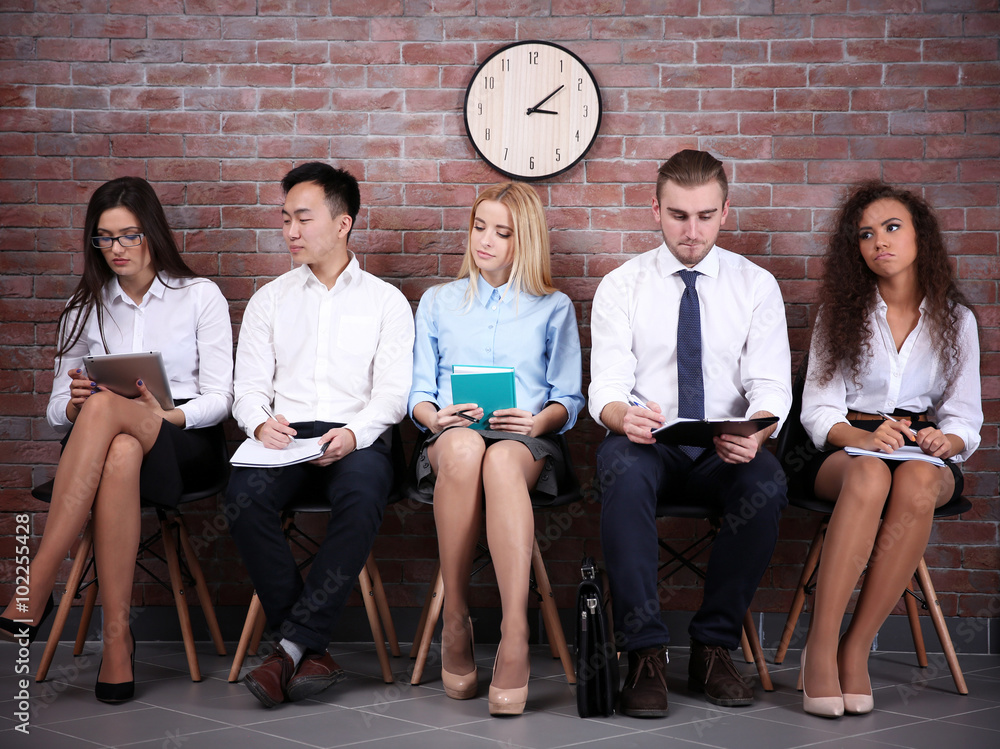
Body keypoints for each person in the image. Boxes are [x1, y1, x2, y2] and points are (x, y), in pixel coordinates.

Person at [0, 177, 234, 704]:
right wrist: (76, 403)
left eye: (129, 236)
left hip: (180, 441)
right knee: (114, 434)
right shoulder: (84, 305)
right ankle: (118, 645)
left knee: (114, 410)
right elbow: (55, 410)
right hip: (104, 448)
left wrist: (166, 414)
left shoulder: (199, 296)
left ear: (153, 232)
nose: (117, 250)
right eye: (104, 238)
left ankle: (34, 587)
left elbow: (222, 397)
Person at [589, 150, 791, 717]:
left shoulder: (756, 286)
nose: (692, 230)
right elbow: (605, 383)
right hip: (648, 442)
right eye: (678, 215)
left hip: (724, 447)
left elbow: (772, 383)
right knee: (621, 469)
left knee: (768, 481)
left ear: (725, 212)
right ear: (655, 210)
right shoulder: (621, 285)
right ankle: (645, 654)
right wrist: (618, 416)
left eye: (704, 215)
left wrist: (757, 431)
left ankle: (713, 648)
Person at [225, 162, 414, 709]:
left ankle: (284, 650)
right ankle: (307, 647)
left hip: (358, 435)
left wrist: (354, 434)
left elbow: (393, 395)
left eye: (303, 219)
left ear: (343, 223)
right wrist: (260, 422)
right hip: (283, 437)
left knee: (360, 494)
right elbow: (248, 389)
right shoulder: (271, 299)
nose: (291, 231)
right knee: (241, 496)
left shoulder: (386, 301)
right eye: (285, 220)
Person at [798, 182, 982, 718]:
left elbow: (964, 418)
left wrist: (943, 440)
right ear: (855, 249)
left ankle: (856, 647)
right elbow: (817, 410)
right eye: (866, 234)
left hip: (922, 452)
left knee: (920, 480)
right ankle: (821, 649)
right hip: (849, 446)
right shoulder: (840, 314)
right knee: (872, 476)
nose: (880, 241)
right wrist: (862, 439)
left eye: (893, 227)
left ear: (920, 235)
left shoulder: (958, 321)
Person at [408, 182, 583, 716]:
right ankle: (455, 618)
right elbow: (417, 393)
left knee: (502, 458)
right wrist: (433, 416)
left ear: (524, 239)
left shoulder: (553, 306)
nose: (485, 240)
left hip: (523, 442)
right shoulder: (438, 301)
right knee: (463, 448)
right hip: (451, 436)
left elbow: (568, 399)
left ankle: (513, 631)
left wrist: (537, 421)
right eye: (479, 227)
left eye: (501, 232)